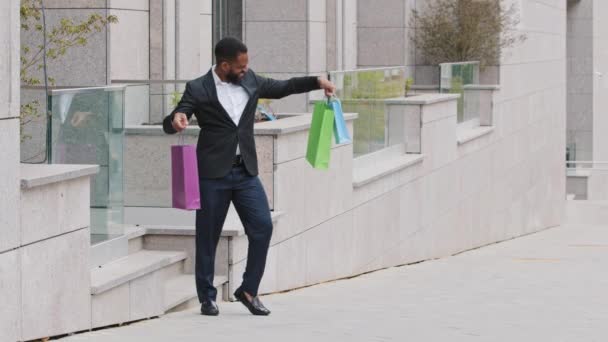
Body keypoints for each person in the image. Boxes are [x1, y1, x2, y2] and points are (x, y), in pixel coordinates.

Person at [163, 37, 335, 316]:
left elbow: (284, 87)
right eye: (241, 67)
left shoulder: (251, 80)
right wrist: (176, 118)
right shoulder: (198, 87)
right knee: (207, 237)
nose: (246, 70)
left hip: (245, 172)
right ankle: (207, 297)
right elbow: (177, 115)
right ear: (224, 65)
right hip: (212, 175)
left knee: (262, 227)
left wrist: (317, 81)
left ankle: (247, 289)